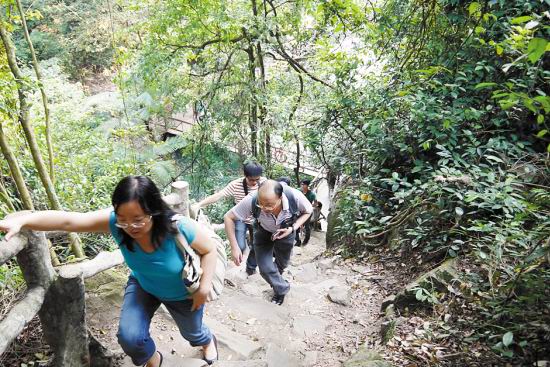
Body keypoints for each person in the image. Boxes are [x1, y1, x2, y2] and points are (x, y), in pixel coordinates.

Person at [0, 176, 219, 367]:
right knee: (129, 338)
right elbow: (68, 220)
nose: (129, 226)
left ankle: (207, 340)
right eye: (122, 219)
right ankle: (155, 361)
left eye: (138, 220)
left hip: (182, 293)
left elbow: (209, 250)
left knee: (192, 333)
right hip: (144, 285)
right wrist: (24, 219)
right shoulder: (115, 222)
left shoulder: (179, 228)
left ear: (154, 211)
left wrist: (205, 287)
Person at [224, 180, 313, 305]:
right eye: (261, 204)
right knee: (265, 269)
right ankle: (281, 290)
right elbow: (228, 217)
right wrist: (234, 247)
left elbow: (308, 211)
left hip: (286, 232)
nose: (265, 209)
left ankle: (276, 282)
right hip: (263, 232)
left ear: (280, 198)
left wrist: (293, 228)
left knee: (282, 264)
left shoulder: (295, 197)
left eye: (270, 205)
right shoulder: (252, 200)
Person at [193, 161, 265, 276]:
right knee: (239, 246)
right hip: (240, 218)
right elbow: (219, 195)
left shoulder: (264, 183)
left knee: (256, 245)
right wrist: (199, 204)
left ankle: (251, 268)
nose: (254, 183)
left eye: (257, 179)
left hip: (257, 219)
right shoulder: (236, 185)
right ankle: (245, 251)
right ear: (245, 175)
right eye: (251, 180)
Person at [295, 179, 317, 247]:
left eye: (303, 184)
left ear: (307, 185)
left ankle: (306, 240)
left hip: (307, 212)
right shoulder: (298, 191)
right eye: (301, 184)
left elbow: (315, 203)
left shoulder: (312, 194)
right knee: (296, 225)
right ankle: (298, 241)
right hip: (299, 211)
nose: (302, 185)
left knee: (307, 226)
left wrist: (310, 206)